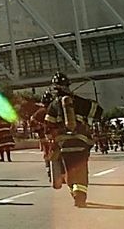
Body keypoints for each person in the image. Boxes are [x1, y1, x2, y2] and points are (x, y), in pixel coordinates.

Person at [43, 72, 103, 208]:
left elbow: (48, 127)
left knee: (69, 170)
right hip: (82, 143)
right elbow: (98, 111)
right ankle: (80, 196)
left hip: (64, 145)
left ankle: (75, 193)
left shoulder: (53, 106)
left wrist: (52, 143)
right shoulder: (79, 101)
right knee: (82, 169)